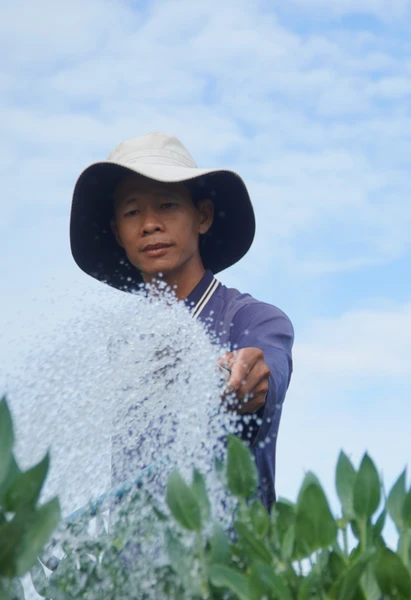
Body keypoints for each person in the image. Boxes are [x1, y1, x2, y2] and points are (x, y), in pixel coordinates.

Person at [69, 132, 294, 511]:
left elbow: (265, 368)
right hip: (135, 565)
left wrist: (250, 380)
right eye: (131, 212)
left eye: (168, 205)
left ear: (202, 216)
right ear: (117, 233)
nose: (150, 224)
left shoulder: (251, 318)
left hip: (227, 565)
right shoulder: (124, 346)